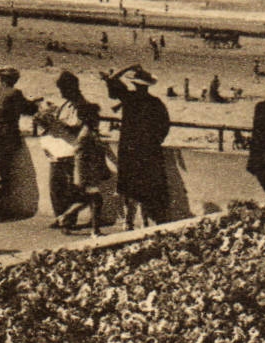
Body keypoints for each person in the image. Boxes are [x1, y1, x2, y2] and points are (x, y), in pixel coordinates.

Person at [103, 64, 170, 228]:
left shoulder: (128, 98)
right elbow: (164, 126)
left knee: (128, 186)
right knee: (147, 186)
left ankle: (129, 221)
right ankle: (145, 221)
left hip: (128, 149)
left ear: (134, 84)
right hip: (148, 150)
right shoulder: (155, 103)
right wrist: (155, 141)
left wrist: (128, 67)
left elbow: (111, 80)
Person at [37, 71, 93, 229]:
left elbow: (77, 128)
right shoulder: (67, 104)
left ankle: (67, 219)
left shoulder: (82, 105)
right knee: (56, 188)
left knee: (69, 189)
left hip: (71, 151)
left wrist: (56, 123)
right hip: (58, 151)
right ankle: (60, 217)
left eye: (62, 89)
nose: (61, 93)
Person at [0, 66, 37, 210]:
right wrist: (34, 104)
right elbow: (28, 110)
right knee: (1, 177)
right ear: (14, 80)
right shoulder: (15, 93)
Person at [54, 104, 116, 236]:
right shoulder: (86, 134)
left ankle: (64, 217)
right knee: (96, 200)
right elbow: (79, 155)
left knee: (87, 200)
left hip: (88, 174)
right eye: (95, 117)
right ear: (89, 118)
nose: (98, 119)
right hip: (86, 175)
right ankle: (94, 231)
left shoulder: (89, 132)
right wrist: (83, 177)